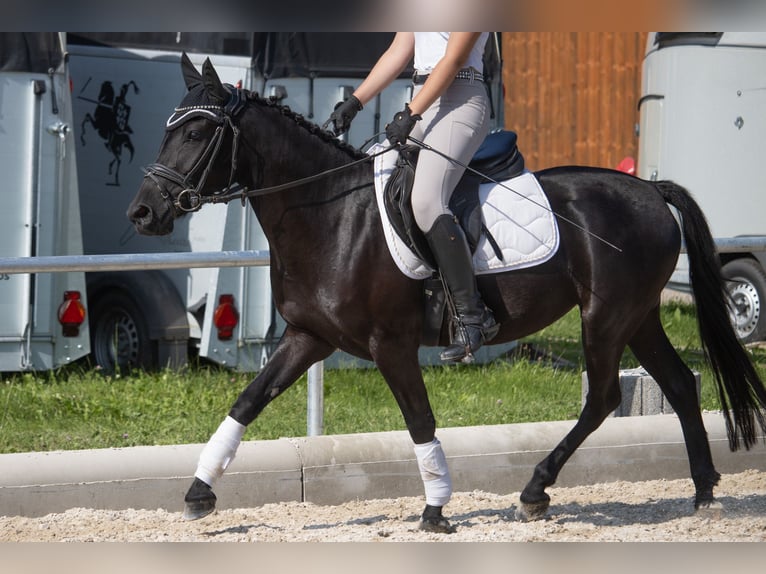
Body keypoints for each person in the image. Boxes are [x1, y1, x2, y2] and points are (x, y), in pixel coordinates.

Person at [325, 32, 499, 363]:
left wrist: (410, 114)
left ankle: (474, 317)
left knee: (426, 200)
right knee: (378, 185)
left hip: (460, 100)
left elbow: (454, 59)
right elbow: (399, 50)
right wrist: (355, 101)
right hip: (422, 100)